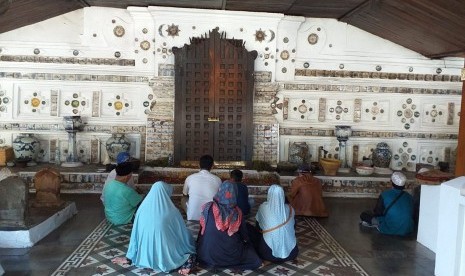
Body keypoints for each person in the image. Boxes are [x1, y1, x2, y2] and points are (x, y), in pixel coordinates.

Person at [112, 181, 196, 275]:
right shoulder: (172, 211)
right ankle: (186, 263)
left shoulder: (141, 209)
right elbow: (181, 233)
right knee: (187, 242)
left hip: (144, 254)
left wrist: (129, 256)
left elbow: (135, 234)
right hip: (166, 252)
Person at [196, 181, 262, 270]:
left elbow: (202, 230)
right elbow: (244, 236)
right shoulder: (237, 212)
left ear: (220, 191)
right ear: (234, 194)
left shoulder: (207, 207)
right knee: (255, 258)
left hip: (206, 255)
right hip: (231, 254)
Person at [249, 184, 298, 263]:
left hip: (267, 254)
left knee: (252, 230)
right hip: (292, 253)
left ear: (269, 194)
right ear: (282, 195)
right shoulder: (290, 208)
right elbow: (294, 226)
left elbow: (258, 227)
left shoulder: (263, 207)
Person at [360, 172, 414, 236]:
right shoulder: (409, 196)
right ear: (404, 185)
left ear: (391, 182)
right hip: (408, 229)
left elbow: (378, 213)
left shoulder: (385, 195)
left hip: (390, 229)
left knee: (364, 215)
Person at [182, 154, 221, 220]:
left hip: (193, 216)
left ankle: (191, 212)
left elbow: (184, 194)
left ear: (199, 165)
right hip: (211, 216)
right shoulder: (217, 179)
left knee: (183, 198)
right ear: (212, 166)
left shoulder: (190, 178)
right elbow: (219, 196)